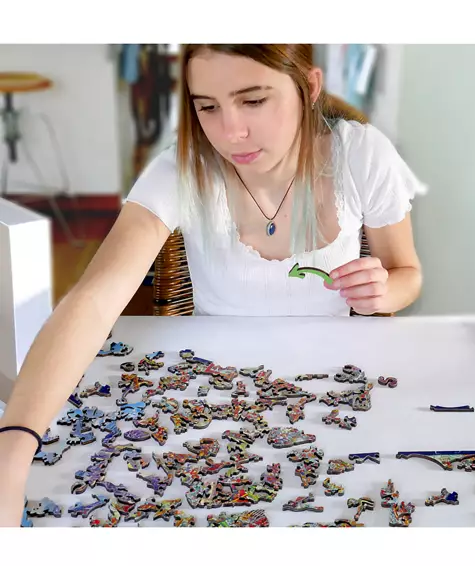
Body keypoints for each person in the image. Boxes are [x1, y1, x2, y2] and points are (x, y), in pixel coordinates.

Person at [0, 44, 426, 525]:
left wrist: (384, 291)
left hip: (334, 389)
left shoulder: (362, 154)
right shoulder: (182, 168)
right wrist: (12, 451)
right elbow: (95, 299)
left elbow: (406, 273)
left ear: (308, 87)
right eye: (207, 107)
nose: (230, 132)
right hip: (212, 393)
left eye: (253, 100)